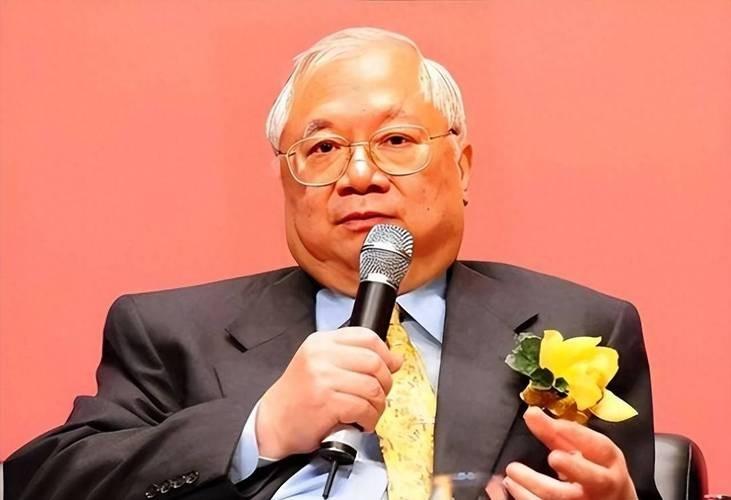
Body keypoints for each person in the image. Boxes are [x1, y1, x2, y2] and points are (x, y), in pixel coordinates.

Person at [4, 27, 661, 500]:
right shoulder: (171, 331)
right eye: (322, 149)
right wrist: (260, 427)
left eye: (396, 140)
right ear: (285, 183)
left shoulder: (585, 324)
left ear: (461, 168)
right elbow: (41, 481)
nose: (359, 175)